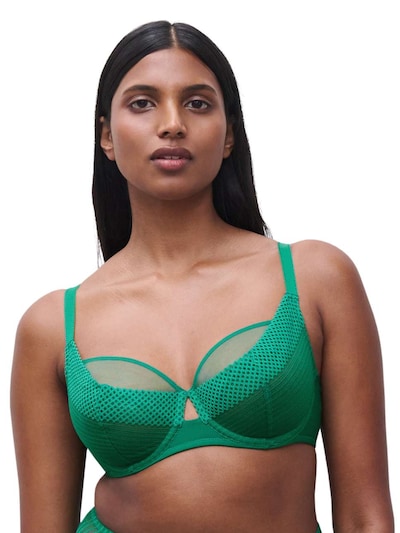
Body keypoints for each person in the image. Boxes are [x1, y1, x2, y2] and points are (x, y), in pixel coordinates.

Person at [11, 20, 394, 533]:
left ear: (229, 134)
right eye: (142, 103)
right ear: (106, 135)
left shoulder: (316, 279)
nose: (172, 124)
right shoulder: (53, 327)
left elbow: (366, 516)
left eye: (197, 103)